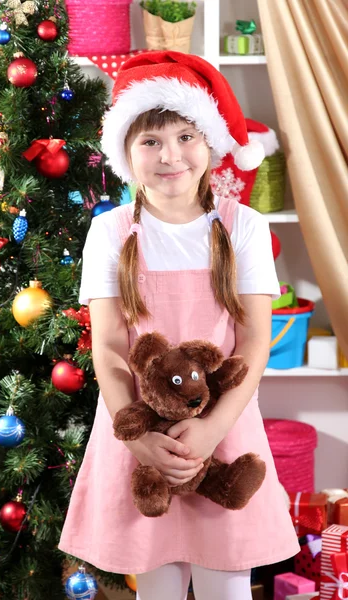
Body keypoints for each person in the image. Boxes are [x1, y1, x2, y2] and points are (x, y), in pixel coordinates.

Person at [59, 51, 299, 600]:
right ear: (125, 152)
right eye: (150, 141)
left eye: (186, 136)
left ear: (210, 142)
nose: (171, 155)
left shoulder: (245, 228)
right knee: (159, 589)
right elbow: (112, 348)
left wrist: (212, 430)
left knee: (227, 587)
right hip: (140, 434)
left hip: (224, 429)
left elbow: (256, 341)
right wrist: (138, 437)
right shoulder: (111, 233)